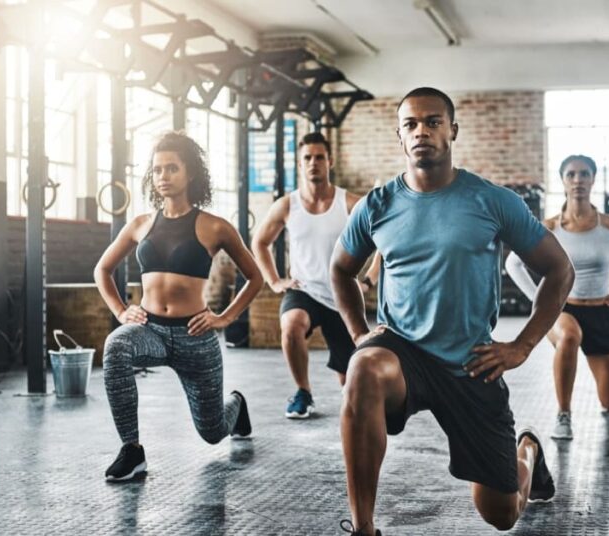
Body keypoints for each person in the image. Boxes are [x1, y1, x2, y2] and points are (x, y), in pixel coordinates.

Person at [330, 87, 575, 535]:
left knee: (500, 515)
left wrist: (522, 345)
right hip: (402, 351)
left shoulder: (492, 201)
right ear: (400, 137)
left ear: (452, 130)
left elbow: (559, 270)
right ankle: (364, 528)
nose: (421, 131)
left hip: (470, 362)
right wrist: (358, 332)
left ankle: (528, 452)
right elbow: (341, 270)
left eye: (433, 121)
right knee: (363, 367)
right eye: (411, 124)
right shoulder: (377, 206)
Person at [93, 132, 264, 481]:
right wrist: (121, 311)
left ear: (190, 175)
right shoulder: (140, 224)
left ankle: (237, 405)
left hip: (194, 338)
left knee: (212, 432)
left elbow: (255, 277)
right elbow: (103, 269)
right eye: (157, 170)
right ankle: (132, 451)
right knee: (116, 346)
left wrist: (225, 317)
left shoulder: (214, 227)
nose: (163, 176)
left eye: (172, 168)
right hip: (150, 331)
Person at [505, 154, 609, 440]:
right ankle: (564, 414)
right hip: (563, 309)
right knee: (569, 335)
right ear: (563, 180)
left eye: (584, 174)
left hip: (602, 312)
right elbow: (513, 263)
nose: (578, 180)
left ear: (593, 179)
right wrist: (541, 301)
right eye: (571, 174)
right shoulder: (548, 228)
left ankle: (606, 401)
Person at [252, 132, 378, 419]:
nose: (313, 163)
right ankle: (303, 392)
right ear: (299, 164)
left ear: (330, 161)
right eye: (307, 158)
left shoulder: (350, 203)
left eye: (319, 157)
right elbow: (259, 242)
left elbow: (384, 240)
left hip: (342, 295)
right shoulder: (287, 205)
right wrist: (274, 281)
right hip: (304, 290)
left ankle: (350, 396)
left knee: (351, 387)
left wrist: (369, 278)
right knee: (292, 324)